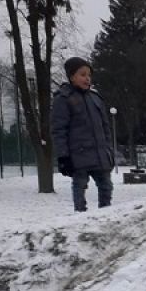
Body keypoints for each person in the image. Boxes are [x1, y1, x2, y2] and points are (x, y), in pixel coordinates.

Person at [51, 56, 114, 212]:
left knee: (106, 186)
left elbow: (105, 127)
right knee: (80, 186)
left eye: (89, 75)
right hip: (78, 156)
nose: (87, 78)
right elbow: (59, 130)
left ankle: (106, 213)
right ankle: (80, 214)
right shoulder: (63, 99)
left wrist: (108, 150)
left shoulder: (95, 98)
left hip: (100, 155)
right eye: (82, 74)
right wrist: (63, 157)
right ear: (72, 77)